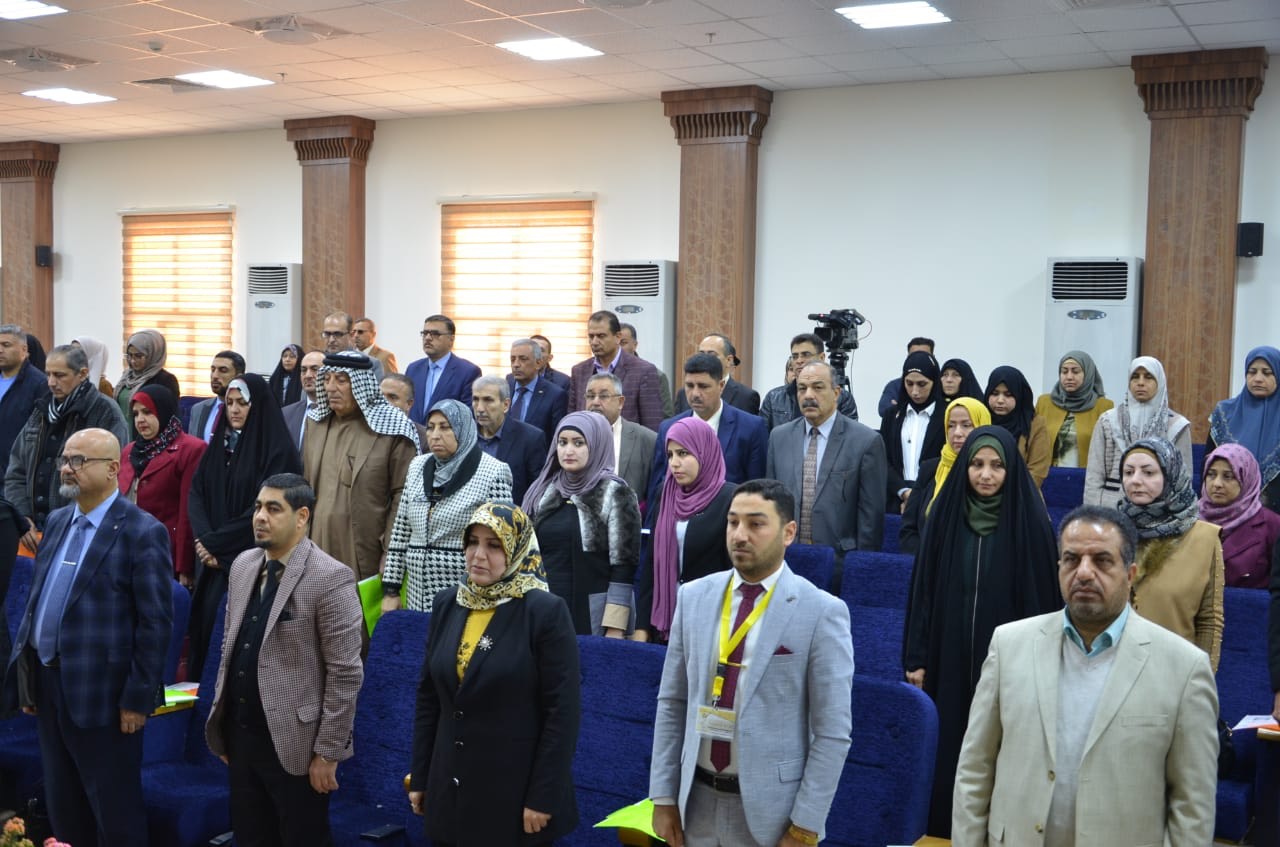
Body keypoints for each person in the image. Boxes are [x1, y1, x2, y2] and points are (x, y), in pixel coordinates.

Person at [952, 505, 1219, 847]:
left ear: (1130, 573)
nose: (1084, 573)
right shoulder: (1009, 645)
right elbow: (975, 768)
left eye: (1102, 561)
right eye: (1072, 559)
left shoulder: (1183, 667)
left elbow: (1193, 805)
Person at [649, 479, 854, 847]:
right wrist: (663, 796)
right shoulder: (693, 597)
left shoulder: (821, 611)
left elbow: (832, 733)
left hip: (773, 812)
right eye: (733, 522)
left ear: (789, 532)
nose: (740, 535)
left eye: (756, 524)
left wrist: (805, 824)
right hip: (694, 801)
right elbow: (672, 702)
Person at [4, 428, 172, 847]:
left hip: (105, 696)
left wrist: (138, 699)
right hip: (50, 684)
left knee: (114, 813)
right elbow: (38, 602)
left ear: (113, 469)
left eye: (79, 461)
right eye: (65, 459)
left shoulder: (141, 531)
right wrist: (29, 678)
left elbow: (155, 624)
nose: (66, 468)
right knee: (64, 807)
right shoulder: (59, 521)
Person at [903, 425, 1060, 837]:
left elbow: (1045, 603)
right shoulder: (944, 517)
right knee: (950, 741)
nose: (985, 475)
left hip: (1013, 666)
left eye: (996, 466)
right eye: (976, 464)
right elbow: (922, 593)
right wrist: (916, 657)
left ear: (1011, 470)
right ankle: (945, 829)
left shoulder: (1031, 524)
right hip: (947, 654)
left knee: (1003, 745)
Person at [206, 474, 365, 847]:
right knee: (249, 837)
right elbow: (231, 647)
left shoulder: (331, 578)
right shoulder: (244, 565)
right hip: (241, 738)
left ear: (301, 516)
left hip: (297, 745)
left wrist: (328, 753)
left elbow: (345, 674)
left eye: (274, 509)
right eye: (258, 507)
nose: (260, 517)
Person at [409, 502, 580, 847]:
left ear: (517, 550)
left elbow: (562, 714)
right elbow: (430, 700)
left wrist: (543, 796)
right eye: (472, 542)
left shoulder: (544, 612)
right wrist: (422, 776)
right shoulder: (448, 603)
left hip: (513, 795)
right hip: (448, 790)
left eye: (494, 545)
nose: (478, 555)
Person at [187, 372, 302, 681]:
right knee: (205, 636)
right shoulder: (221, 445)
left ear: (258, 405)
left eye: (242, 403)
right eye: (230, 403)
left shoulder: (278, 451)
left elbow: (265, 511)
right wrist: (204, 541)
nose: (234, 410)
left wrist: (215, 545)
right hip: (211, 562)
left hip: (251, 561)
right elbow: (197, 493)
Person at [382, 399, 513, 613]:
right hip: (416, 595)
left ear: (462, 429)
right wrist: (391, 590)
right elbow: (401, 532)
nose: (435, 435)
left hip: (465, 595)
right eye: (431, 427)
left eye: (445, 427)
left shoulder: (493, 472)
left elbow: (503, 540)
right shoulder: (417, 466)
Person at [303, 352, 419, 583]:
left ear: (360, 383)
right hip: (315, 542)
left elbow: (403, 495)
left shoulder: (392, 428)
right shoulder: (315, 423)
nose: (331, 388)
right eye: (327, 379)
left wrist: (391, 551)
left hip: (365, 546)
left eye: (341, 380)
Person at [522, 411, 641, 636]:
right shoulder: (544, 490)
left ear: (597, 445)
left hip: (592, 618)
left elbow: (624, 567)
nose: (568, 451)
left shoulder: (615, 493)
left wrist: (615, 628)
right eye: (562, 442)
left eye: (578, 443)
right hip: (543, 610)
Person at [5, 344, 128, 552]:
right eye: (48, 374)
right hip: (30, 532)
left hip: (80, 529)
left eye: (60, 375)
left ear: (83, 374)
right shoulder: (41, 411)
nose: (51, 383)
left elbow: (111, 477)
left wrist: (66, 521)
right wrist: (22, 516)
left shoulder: (105, 413)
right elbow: (16, 470)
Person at [1118, 437, 1223, 670]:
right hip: (1114, 670)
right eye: (1128, 472)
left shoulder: (1204, 538)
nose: (1135, 480)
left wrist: (1203, 679)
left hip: (1175, 671)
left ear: (1170, 475)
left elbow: (1209, 621)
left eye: (1148, 472)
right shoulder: (1111, 530)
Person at [765, 361, 887, 556]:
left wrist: (860, 565)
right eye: (802, 388)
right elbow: (771, 504)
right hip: (786, 557)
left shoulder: (865, 442)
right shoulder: (779, 437)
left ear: (836, 393)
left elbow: (870, 519)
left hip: (840, 560)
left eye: (818, 387)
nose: (808, 395)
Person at [635, 416, 735, 643]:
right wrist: (641, 627)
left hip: (711, 623)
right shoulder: (665, 493)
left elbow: (733, 570)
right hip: (665, 622)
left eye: (683, 453)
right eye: (670, 455)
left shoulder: (729, 498)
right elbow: (651, 563)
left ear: (704, 452)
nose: (674, 463)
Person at [647, 352, 767, 505]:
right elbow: (657, 489)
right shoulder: (668, 428)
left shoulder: (751, 427)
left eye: (703, 386)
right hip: (678, 515)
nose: (695, 394)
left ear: (721, 386)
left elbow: (756, 489)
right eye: (690, 386)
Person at [118, 385, 207, 586]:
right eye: (136, 414)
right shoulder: (130, 451)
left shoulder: (191, 449)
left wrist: (184, 566)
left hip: (164, 553)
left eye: (147, 412)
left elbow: (188, 511)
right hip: (125, 550)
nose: (140, 419)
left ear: (164, 411)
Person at [1084, 355, 1192, 506]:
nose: (1140, 382)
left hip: (1160, 509)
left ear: (1160, 382)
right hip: (1112, 506)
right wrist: (1093, 513)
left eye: (1148, 377)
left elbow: (1183, 479)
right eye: (1135, 377)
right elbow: (1094, 477)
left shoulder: (1177, 426)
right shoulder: (1108, 421)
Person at [898, 397, 991, 555]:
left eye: (966, 425)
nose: (957, 433)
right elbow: (909, 530)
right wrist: (926, 558)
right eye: (951, 425)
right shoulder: (930, 469)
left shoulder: (991, 475)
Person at [1209, 345, 1280, 513]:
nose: (1258, 379)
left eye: (1267, 373)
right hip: (1226, 508)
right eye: (1252, 372)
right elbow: (1210, 463)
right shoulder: (1224, 413)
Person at [1200, 443, 1280, 589]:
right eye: (1211, 474)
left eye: (1228, 476)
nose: (1217, 483)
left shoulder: (1272, 525)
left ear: (1246, 478)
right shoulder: (1189, 519)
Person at [569, 311, 665, 430]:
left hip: (626, 441)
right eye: (591, 336)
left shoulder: (643, 371)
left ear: (618, 337)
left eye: (601, 336)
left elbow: (652, 426)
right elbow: (572, 421)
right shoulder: (579, 371)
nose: (594, 342)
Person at [880, 351, 946, 513]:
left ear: (934, 381)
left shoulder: (946, 415)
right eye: (909, 383)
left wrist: (919, 496)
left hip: (934, 498)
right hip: (895, 499)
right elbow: (883, 458)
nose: (915, 391)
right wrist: (904, 492)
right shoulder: (892, 415)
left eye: (922, 384)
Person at [584, 372, 657, 511]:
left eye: (603, 396)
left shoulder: (646, 439)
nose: (595, 402)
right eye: (590, 396)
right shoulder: (574, 437)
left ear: (620, 402)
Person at [759, 333, 859, 430]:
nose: (799, 361)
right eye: (795, 356)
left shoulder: (842, 398)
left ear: (821, 358)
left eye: (806, 355)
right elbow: (763, 437)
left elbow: (849, 436)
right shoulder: (774, 398)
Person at [473, 375, 547, 504]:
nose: (480, 408)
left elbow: (536, 493)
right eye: (475, 399)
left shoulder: (530, 438)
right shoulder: (463, 436)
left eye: (488, 400)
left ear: (506, 405)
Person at [1034, 350, 1114, 468]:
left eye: (1075, 371)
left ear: (1088, 374)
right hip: (1048, 475)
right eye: (1064, 371)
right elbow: (1033, 443)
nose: (1069, 377)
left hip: (1086, 476)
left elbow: (1109, 451)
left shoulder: (1103, 406)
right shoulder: (1044, 403)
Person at [405, 314, 481, 423]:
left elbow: (467, 418)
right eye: (425, 333)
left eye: (435, 334)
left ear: (451, 339)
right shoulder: (413, 369)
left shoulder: (468, 372)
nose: (428, 338)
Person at [984, 365, 1050, 489]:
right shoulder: (981, 420)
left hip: (1021, 494)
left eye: (1008, 394)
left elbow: (1037, 471)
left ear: (1019, 396)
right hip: (981, 492)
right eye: (995, 393)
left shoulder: (1035, 424)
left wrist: (1005, 493)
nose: (1000, 400)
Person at [0, 324, 50, 480]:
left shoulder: (39, 384)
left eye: (6, 345)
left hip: (17, 474)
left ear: (24, 350)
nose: (0, 350)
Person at [114, 329, 181, 435]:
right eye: (129, 355)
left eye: (138, 356)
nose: (132, 360)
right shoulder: (126, 376)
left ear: (153, 354)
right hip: (121, 435)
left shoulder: (165, 380)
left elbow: (168, 418)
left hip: (147, 438)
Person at [674, 333, 761, 415]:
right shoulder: (683, 394)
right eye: (701, 354)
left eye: (712, 355)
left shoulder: (745, 396)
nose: (705, 359)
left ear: (729, 360)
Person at [506, 337, 568, 440]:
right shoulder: (505, 386)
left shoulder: (555, 395)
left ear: (538, 363)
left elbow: (556, 438)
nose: (516, 364)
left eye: (523, 359)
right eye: (513, 359)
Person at [188, 350, 247, 444]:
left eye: (223, 370)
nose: (215, 376)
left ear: (238, 376)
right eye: (213, 370)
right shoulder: (198, 409)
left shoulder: (247, 411)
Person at [619, 322, 674, 418]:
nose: (618, 348)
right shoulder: (601, 373)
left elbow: (666, 416)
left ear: (635, 345)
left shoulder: (655, 375)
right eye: (615, 344)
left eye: (623, 343)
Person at [877, 336, 935, 418]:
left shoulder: (943, 385)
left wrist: (899, 406)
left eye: (924, 356)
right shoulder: (895, 385)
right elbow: (884, 410)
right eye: (914, 356)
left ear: (933, 357)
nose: (918, 360)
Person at [320, 311, 384, 382]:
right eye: (327, 334)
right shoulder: (317, 361)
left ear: (351, 335)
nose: (331, 340)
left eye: (338, 334)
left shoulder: (369, 364)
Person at [281, 350, 324, 452]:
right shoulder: (286, 414)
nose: (308, 375)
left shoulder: (337, 415)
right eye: (303, 370)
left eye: (315, 369)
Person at [378, 372, 430, 450]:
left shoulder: (424, 438)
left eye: (392, 397)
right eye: (381, 396)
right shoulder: (365, 431)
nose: (384, 401)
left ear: (409, 404)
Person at [267, 343, 304, 408]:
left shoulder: (303, 378)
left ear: (299, 359)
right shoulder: (275, 378)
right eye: (284, 356)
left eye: (292, 356)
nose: (287, 359)